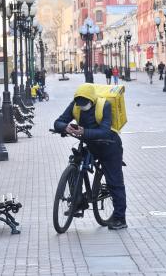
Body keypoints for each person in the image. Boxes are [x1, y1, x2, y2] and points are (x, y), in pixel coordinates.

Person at [54, 83, 127, 230]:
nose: (82, 106)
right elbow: (58, 121)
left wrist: (84, 132)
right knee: (75, 162)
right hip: (91, 145)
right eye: (79, 103)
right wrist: (64, 127)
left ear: (92, 99)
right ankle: (77, 201)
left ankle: (120, 218)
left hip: (109, 146)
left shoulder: (104, 106)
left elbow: (105, 131)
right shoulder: (75, 105)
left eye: (85, 103)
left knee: (115, 182)